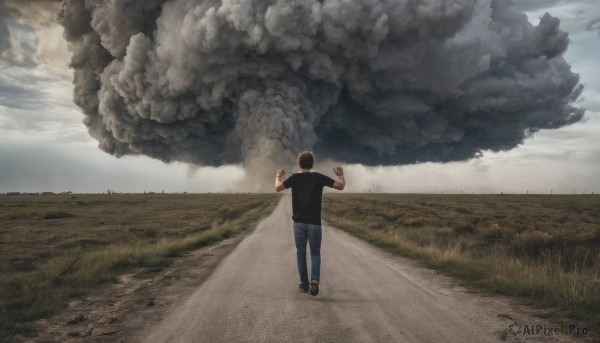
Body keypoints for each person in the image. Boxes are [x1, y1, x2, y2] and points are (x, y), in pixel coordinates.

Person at [275, 151, 345, 296]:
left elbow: (277, 187)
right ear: (312, 163)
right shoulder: (318, 177)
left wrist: (278, 176)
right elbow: (340, 186)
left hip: (299, 223)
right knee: (315, 253)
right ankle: (314, 280)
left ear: (299, 163)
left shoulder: (294, 178)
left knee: (301, 253)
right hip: (314, 223)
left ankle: (304, 284)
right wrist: (341, 175)